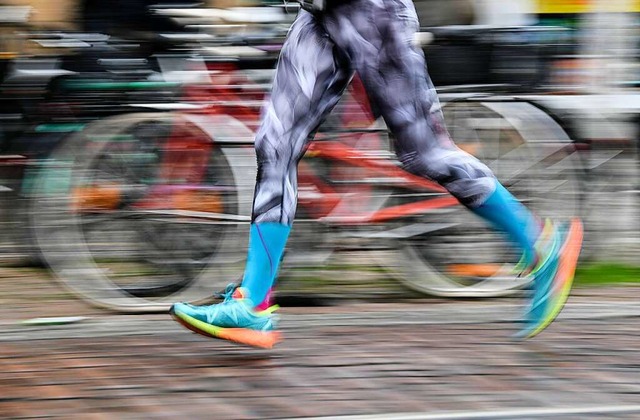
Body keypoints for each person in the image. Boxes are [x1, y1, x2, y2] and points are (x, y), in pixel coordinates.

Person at [170, 0, 583, 348]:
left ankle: (541, 245)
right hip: (318, 13)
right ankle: (253, 304)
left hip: (372, 9)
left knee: (426, 154)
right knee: (274, 145)